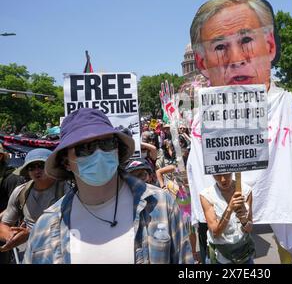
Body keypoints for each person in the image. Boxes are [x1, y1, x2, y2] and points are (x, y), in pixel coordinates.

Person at [187, 0, 292, 263]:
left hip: (279, 227)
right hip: (228, 238)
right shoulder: (201, 118)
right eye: (220, 46)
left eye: (247, 40)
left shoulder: (284, 105)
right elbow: (201, 181)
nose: (237, 58)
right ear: (202, 62)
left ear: (270, 46)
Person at [23, 108, 192, 264]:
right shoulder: (45, 228)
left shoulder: (159, 205)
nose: (99, 153)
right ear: (66, 161)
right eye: (85, 148)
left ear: (117, 149)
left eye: (107, 143)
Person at [0, 148, 67, 256]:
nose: (37, 171)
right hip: (32, 252)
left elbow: (77, 225)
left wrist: (31, 234)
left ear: (52, 167)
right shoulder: (21, 192)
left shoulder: (67, 190)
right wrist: (11, 236)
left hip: (63, 250)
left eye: (41, 165)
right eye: (31, 167)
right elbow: (4, 225)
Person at [200, 173, 254, 264]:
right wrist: (229, 209)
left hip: (243, 253)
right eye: (217, 175)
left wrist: (243, 220)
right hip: (220, 256)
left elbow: (249, 228)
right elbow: (215, 233)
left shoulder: (246, 190)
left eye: (226, 174)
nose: (223, 179)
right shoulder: (207, 195)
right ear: (212, 175)